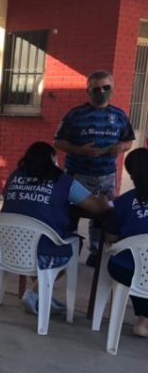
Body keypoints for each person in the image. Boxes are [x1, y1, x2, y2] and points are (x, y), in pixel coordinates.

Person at [0, 142, 110, 314]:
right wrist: (104, 202)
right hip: (44, 253)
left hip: (4, 248)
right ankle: (35, 294)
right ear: (53, 160)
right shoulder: (64, 181)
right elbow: (96, 208)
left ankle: (40, 294)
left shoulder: (14, 176)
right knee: (72, 245)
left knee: (42, 244)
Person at [54, 70, 135, 267]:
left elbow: (129, 140)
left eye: (106, 88)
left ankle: (95, 253)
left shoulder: (118, 115)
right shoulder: (75, 115)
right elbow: (58, 142)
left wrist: (121, 147)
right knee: (70, 213)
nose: (101, 92)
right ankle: (66, 252)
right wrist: (78, 150)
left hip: (106, 175)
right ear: (88, 91)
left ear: (112, 89)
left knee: (104, 215)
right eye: (96, 89)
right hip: (78, 175)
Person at [105, 148, 148, 337]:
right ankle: (143, 321)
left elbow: (110, 239)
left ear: (131, 174)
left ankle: (143, 321)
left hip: (125, 269)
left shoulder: (122, 202)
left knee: (137, 269)